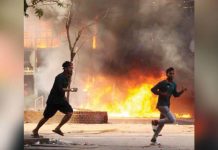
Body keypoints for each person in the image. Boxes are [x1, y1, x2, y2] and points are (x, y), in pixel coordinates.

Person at [32, 61, 78, 137]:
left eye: (72, 67)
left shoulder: (68, 77)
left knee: (69, 112)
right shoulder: (59, 77)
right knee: (46, 117)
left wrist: (65, 98)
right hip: (53, 100)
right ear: (65, 68)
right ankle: (35, 130)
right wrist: (71, 90)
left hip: (61, 100)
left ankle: (58, 128)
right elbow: (60, 89)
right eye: (70, 67)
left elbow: (63, 90)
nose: (72, 69)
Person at [150, 67, 187, 144]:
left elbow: (176, 95)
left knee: (162, 124)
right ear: (167, 74)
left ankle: (153, 139)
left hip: (167, 105)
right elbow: (153, 89)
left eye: (173, 73)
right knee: (173, 120)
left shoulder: (174, 84)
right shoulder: (162, 83)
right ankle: (155, 122)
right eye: (170, 73)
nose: (172, 75)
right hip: (161, 105)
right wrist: (161, 93)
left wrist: (182, 91)